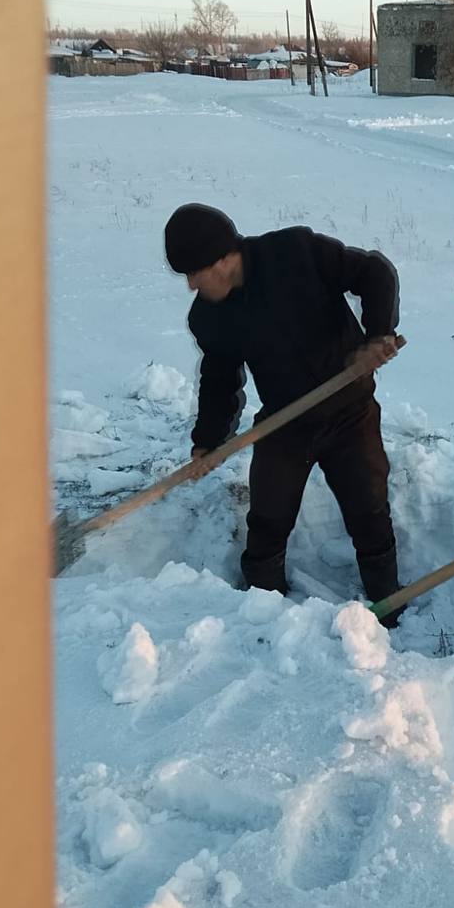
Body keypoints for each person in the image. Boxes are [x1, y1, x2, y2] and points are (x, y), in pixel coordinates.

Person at [164, 202, 402, 616]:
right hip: (284, 421)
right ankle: (265, 612)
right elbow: (220, 380)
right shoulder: (209, 317)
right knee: (268, 521)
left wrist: (377, 335)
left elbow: (374, 272)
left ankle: (389, 604)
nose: (189, 286)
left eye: (192, 274)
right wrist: (206, 442)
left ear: (221, 260)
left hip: (350, 408)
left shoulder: (295, 252)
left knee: (368, 510)